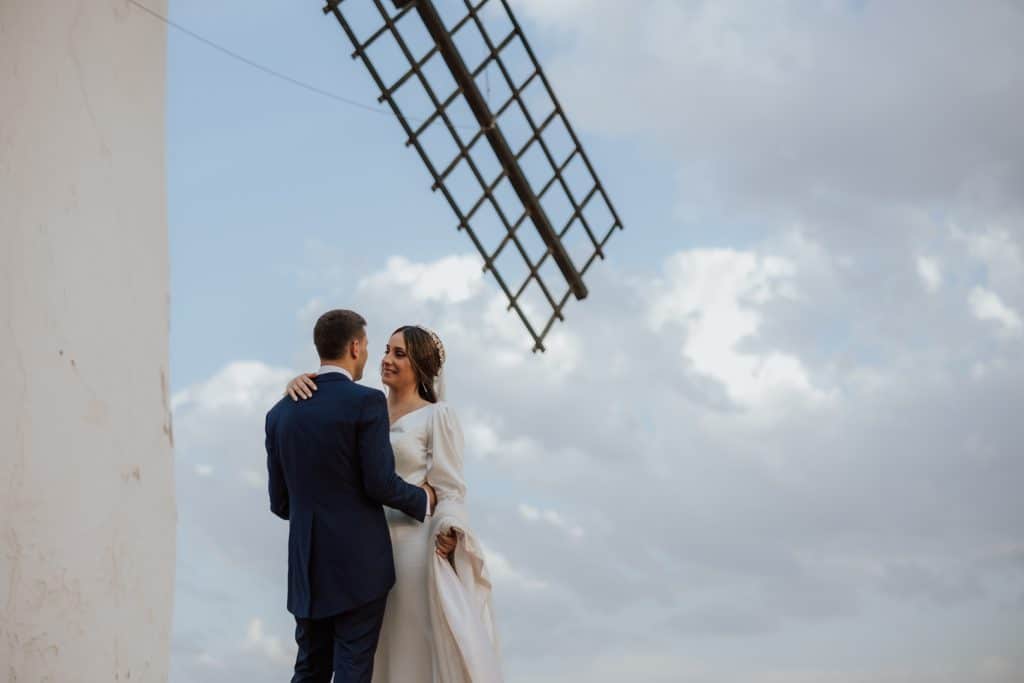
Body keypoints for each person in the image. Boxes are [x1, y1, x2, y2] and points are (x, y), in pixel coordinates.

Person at [285, 323, 503, 682]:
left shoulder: (438, 416)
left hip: (412, 551)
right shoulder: (361, 407)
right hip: (357, 551)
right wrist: (296, 387)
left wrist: (449, 527)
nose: (386, 359)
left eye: (399, 353)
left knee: (407, 650)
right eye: (385, 349)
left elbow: (449, 488)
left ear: (421, 364)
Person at [265, 310, 437, 683]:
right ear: (356, 346)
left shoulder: (279, 413)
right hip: (359, 567)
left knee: (309, 670)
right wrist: (424, 500)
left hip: (306, 568)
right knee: (352, 672)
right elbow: (379, 482)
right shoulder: (366, 402)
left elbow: (280, 504)